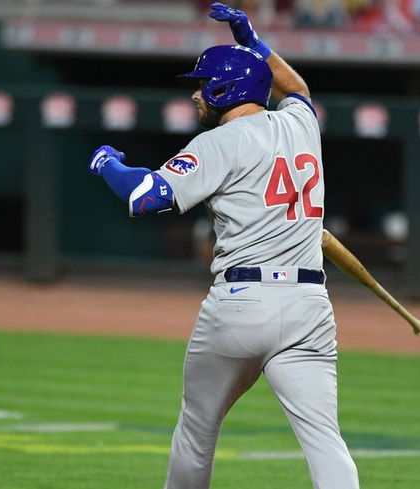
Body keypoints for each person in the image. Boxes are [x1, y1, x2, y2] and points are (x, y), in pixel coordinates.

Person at [87, 3, 360, 489]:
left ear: (220, 90)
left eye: (201, 84)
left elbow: (145, 197)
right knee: (324, 439)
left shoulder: (218, 142)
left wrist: (107, 163)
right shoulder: (302, 125)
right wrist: (255, 43)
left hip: (241, 304)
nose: (195, 93)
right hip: (309, 305)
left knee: (197, 429)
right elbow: (296, 88)